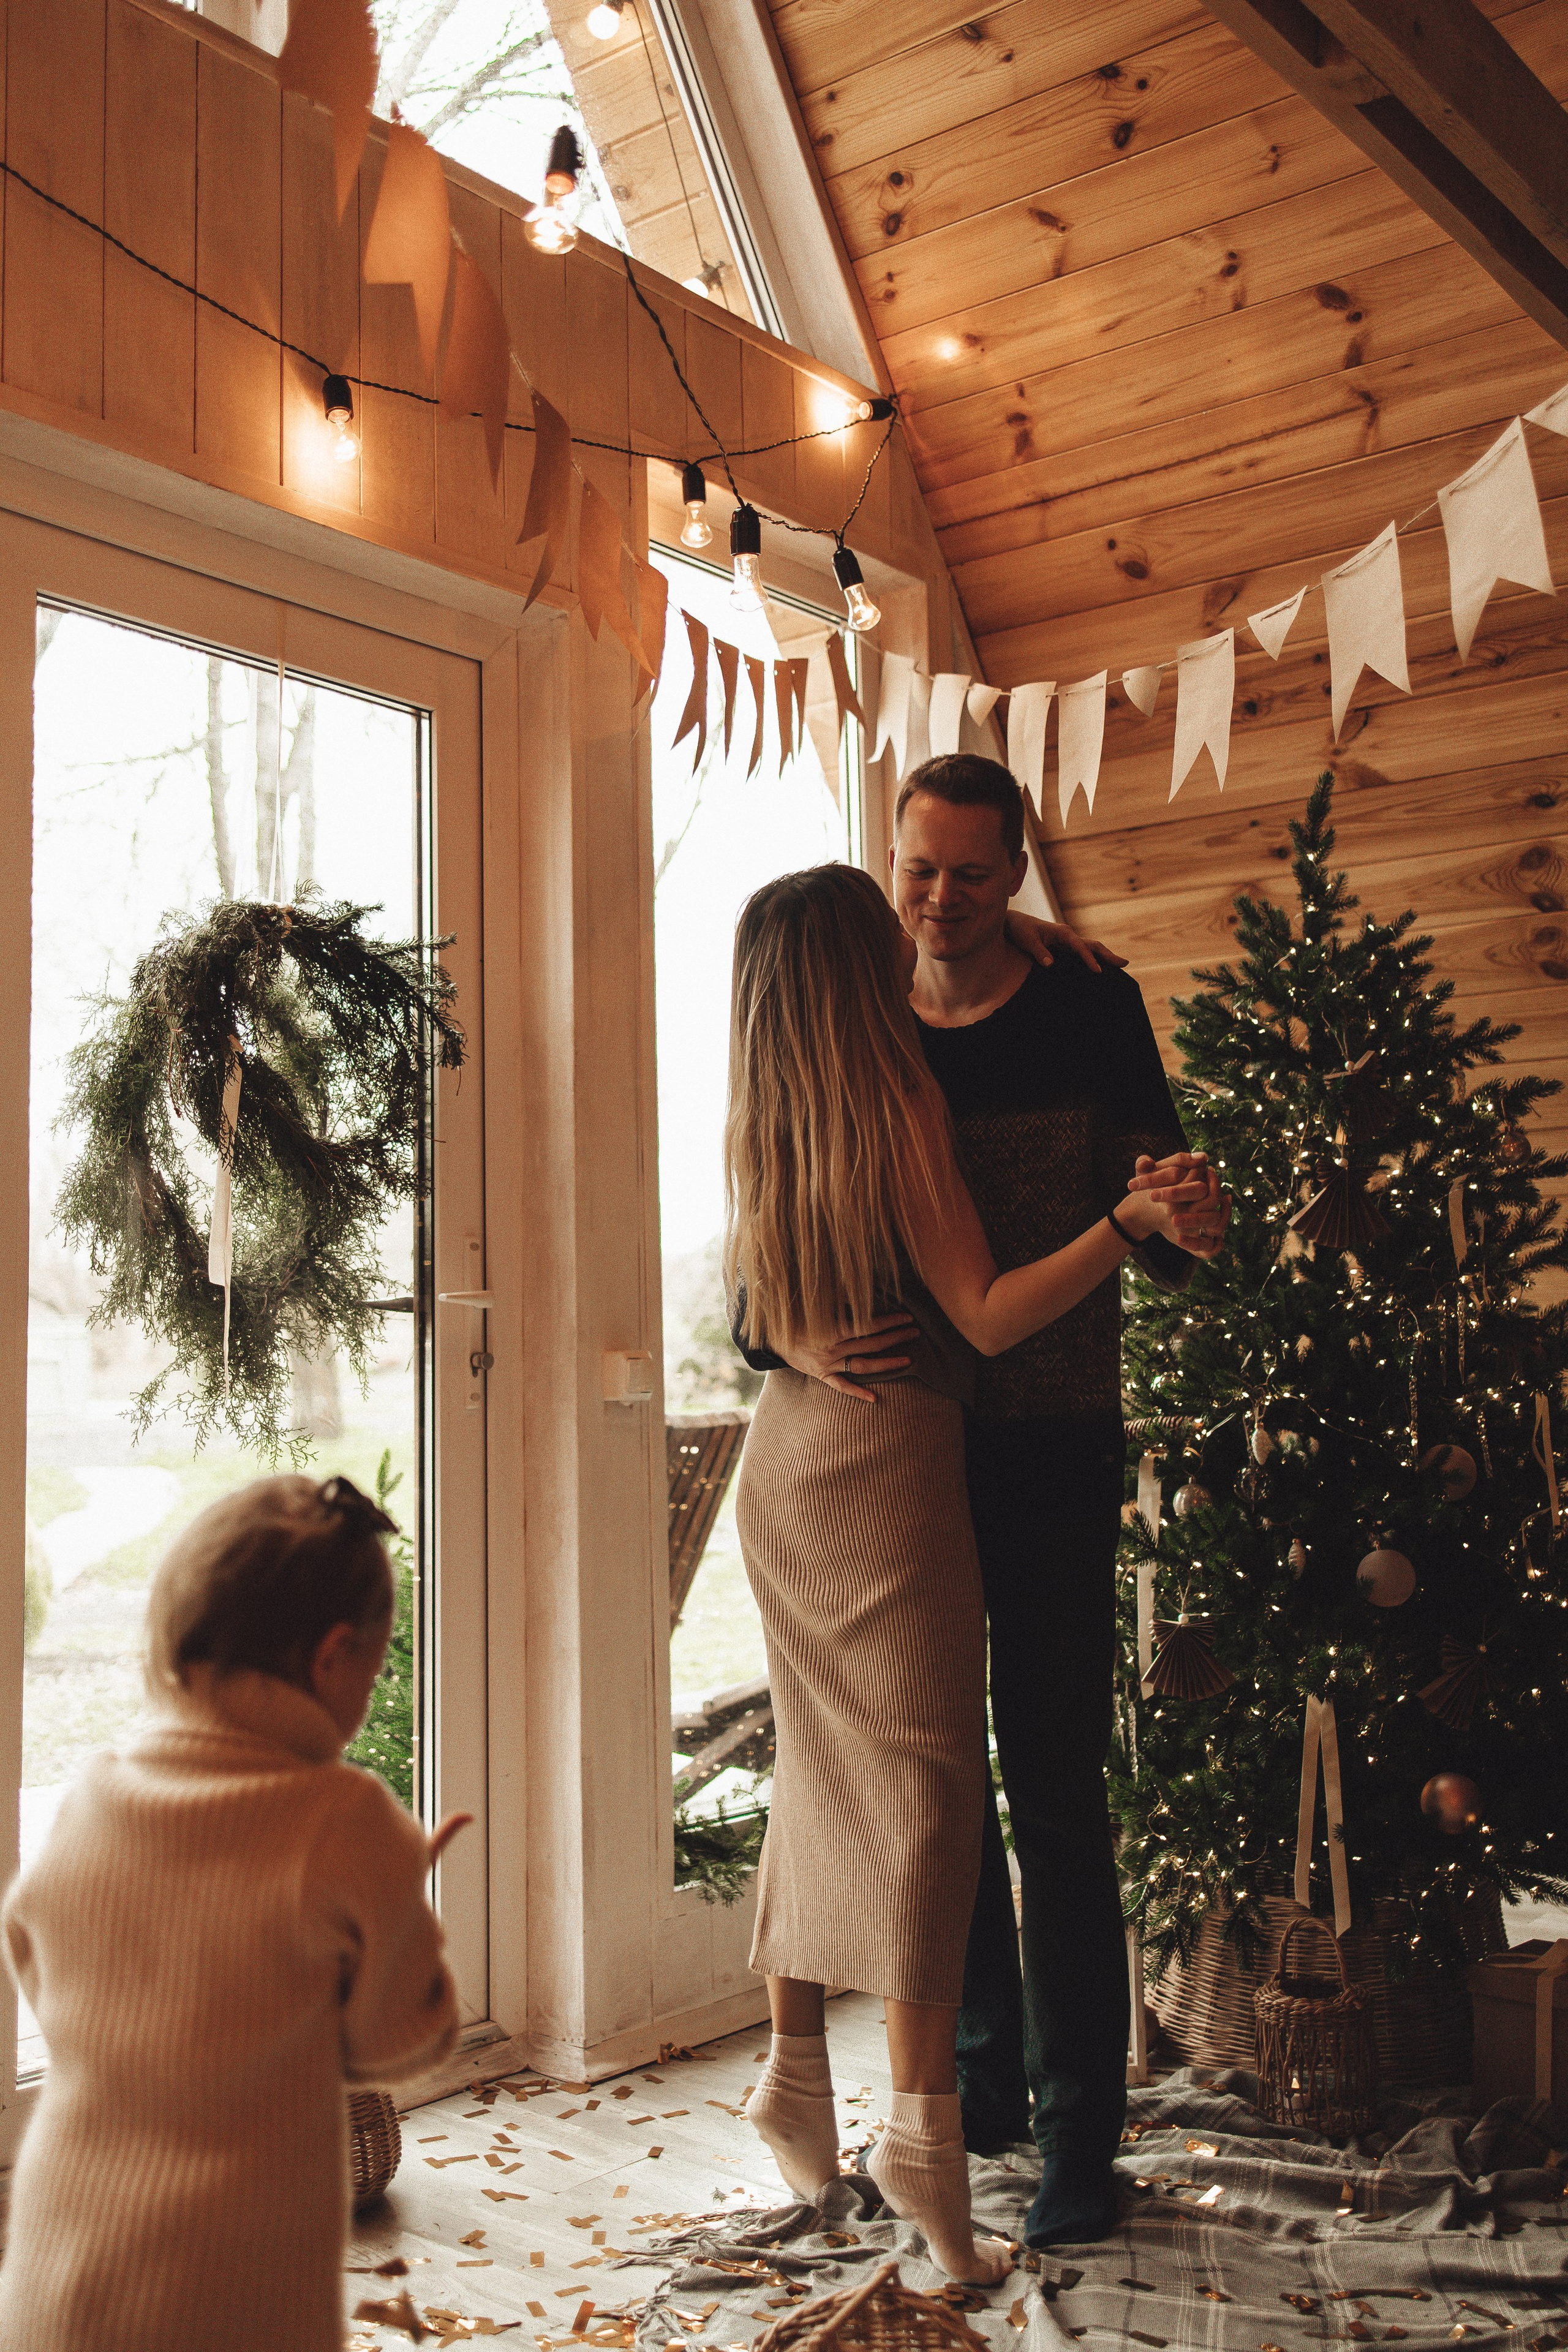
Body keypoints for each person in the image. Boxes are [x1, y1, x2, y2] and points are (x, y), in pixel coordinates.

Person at [761, 756, 1231, 2250]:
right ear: (887, 858)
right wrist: (782, 1340)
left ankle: (1080, 2133)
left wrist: (1189, 1223)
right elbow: (785, 1226)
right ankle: (972, 2096)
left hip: (1050, 1451)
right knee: (927, 1801)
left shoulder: (1088, 1002)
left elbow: (1162, 1219)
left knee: (1055, 1789)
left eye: (972, 875)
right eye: (918, 869)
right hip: (896, 1463)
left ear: (1017, 875)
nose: (939, 900)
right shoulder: (857, 1011)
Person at [0, 1474, 469, 2352]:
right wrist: (408, 1909)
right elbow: (398, 2043)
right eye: (374, 1669)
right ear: (335, 1656)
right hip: (226, 2289)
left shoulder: (92, 1791)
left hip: (54, 2273)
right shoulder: (344, 1818)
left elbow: (35, 1955)